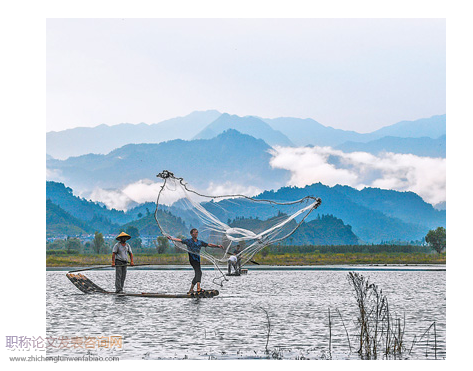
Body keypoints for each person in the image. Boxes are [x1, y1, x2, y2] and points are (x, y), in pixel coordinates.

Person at [168, 228, 223, 294]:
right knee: (199, 272)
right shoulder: (188, 241)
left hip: (197, 259)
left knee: (198, 273)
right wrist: (171, 238)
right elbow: (180, 240)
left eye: (197, 232)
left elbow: (209, 245)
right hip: (192, 259)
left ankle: (191, 289)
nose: (196, 233)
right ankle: (198, 288)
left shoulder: (200, 242)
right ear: (191, 234)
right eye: (194, 232)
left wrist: (218, 246)